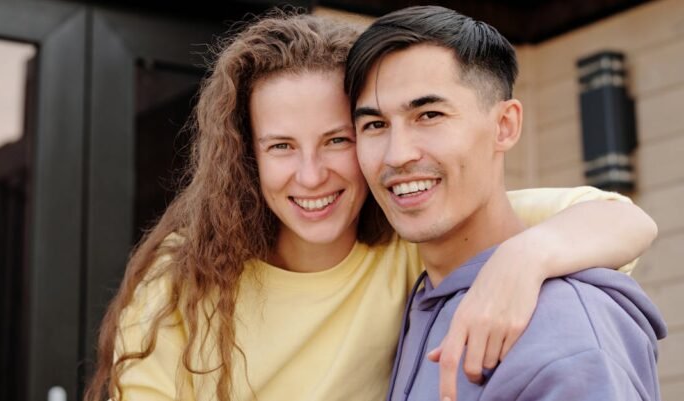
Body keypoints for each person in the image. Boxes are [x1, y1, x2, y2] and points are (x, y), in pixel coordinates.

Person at [84, 10, 658, 401]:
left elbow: (621, 216)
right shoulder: (186, 277)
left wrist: (523, 259)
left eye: (337, 139)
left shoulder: (409, 241)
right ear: (246, 158)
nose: (312, 175)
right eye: (281, 146)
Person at [345, 5, 666, 401]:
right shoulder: (418, 302)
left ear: (504, 125)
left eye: (429, 115)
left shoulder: (564, 327)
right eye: (375, 125)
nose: (397, 155)